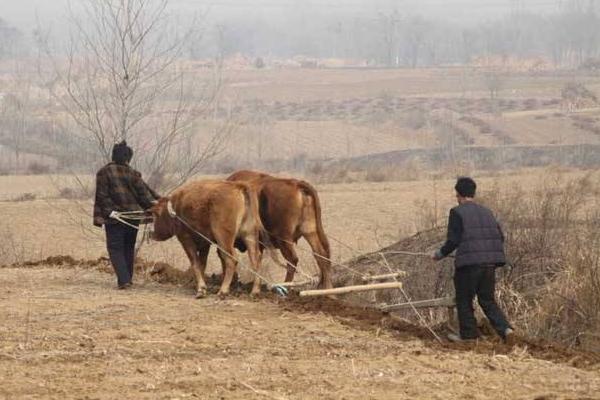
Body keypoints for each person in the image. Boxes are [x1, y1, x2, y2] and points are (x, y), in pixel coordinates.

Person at [432, 177, 514, 343]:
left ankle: (469, 337)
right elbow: (499, 237)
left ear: (458, 194)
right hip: (490, 264)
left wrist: (439, 254)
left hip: (469, 266)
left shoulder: (456, 212)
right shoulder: (487, 212)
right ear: (473, 193)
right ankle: (506, 329)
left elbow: (453, 241)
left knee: (464, 300)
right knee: (487, 300)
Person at [93, 141, 160, 289]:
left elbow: (102, 196)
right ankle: (127, 279)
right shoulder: (133, 174)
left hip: (115, 219)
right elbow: (145, 196)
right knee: (128, 247)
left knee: (115, 248)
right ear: (128, 158)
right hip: (132, 218)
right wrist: (159, 203)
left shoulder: (104, 172)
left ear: (113, 156)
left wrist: (110, 212)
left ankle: (124, 281)